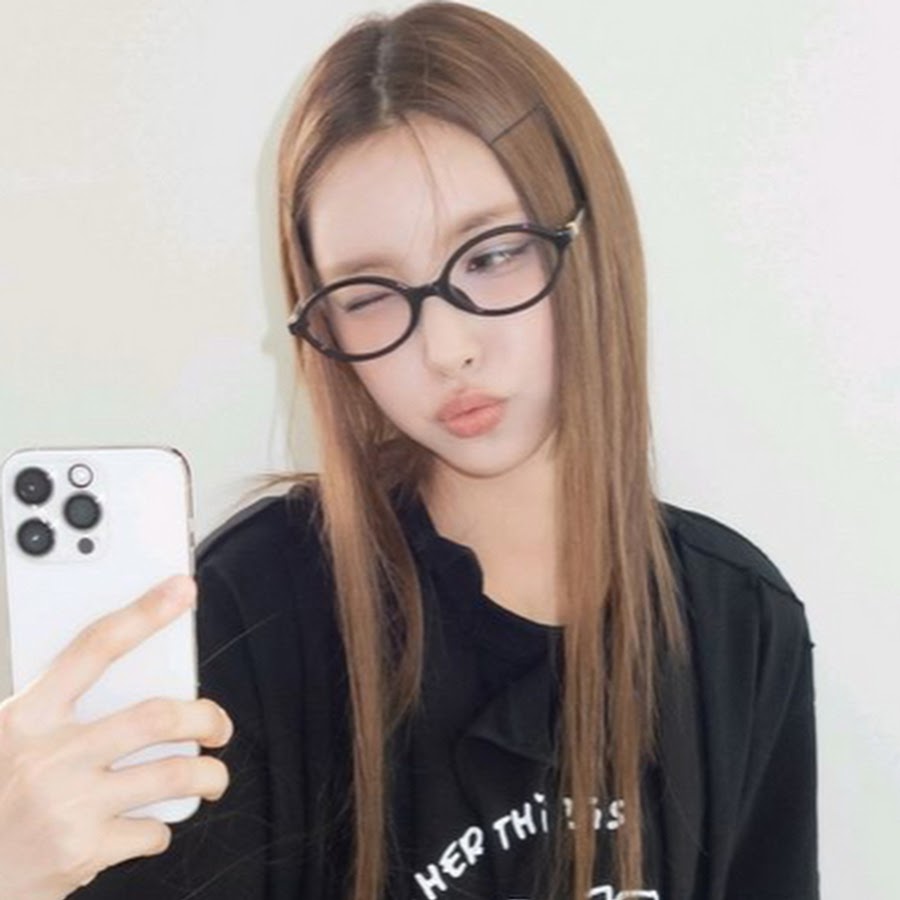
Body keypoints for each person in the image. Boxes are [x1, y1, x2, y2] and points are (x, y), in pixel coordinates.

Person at [0, 3, 818, 899]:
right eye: (368, 294)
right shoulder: (258, 610)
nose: (446, 348)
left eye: (492, 256)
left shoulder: (735, 620)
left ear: (590, 241)